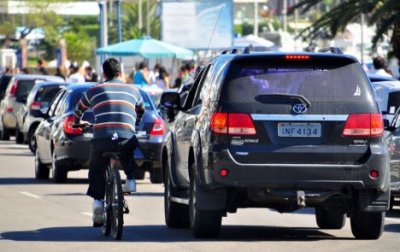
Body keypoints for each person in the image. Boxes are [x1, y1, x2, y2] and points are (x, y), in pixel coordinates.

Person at [73, 58, 145, 226]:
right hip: (126, 136)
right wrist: (133, 124)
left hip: (102, 138)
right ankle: (130, 179)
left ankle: (98, 202)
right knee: (127, 149)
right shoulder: (133, 90)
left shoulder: (94, 90)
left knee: (96, 167)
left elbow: (79, 109)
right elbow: (141, 110)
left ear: (104, 74)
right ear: (120, 73)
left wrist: (78, 122)